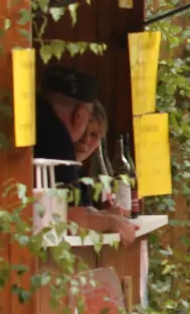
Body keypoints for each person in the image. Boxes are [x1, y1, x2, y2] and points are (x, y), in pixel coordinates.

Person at [36, 67, 138, 244]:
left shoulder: (33, 115)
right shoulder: (56, 136)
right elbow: (70, 221)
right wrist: (108, 221)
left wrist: (97, 215)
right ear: (80, 114)